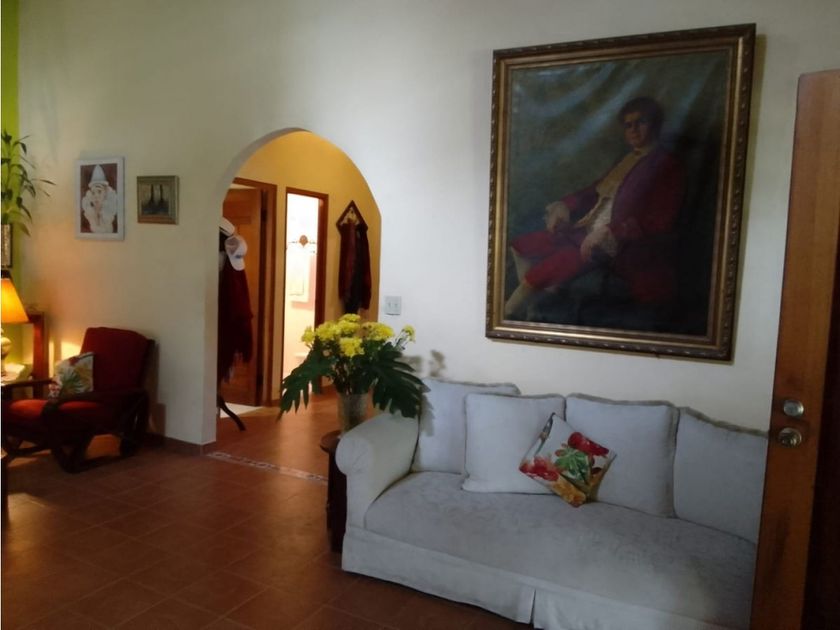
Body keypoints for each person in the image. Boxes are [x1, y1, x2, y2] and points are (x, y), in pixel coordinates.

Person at [504, 96, 685, 319]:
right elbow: (593, 192)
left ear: (655, 124)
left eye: (641, 122)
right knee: (520, 245)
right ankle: (534, 305)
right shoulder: (628, 159)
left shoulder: (667, 164)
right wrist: (564, 206)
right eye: (628, 125)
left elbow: (660, 220)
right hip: (584, 231)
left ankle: (508, 314)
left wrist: (610, 231)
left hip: (619, 246)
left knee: (539, 275)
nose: (633, 130)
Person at [80, 164, 118, 233]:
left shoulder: (109, 213)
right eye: (93, 192)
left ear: (105, 193)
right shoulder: (88, 214)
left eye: (99, 191)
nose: (96, 196)